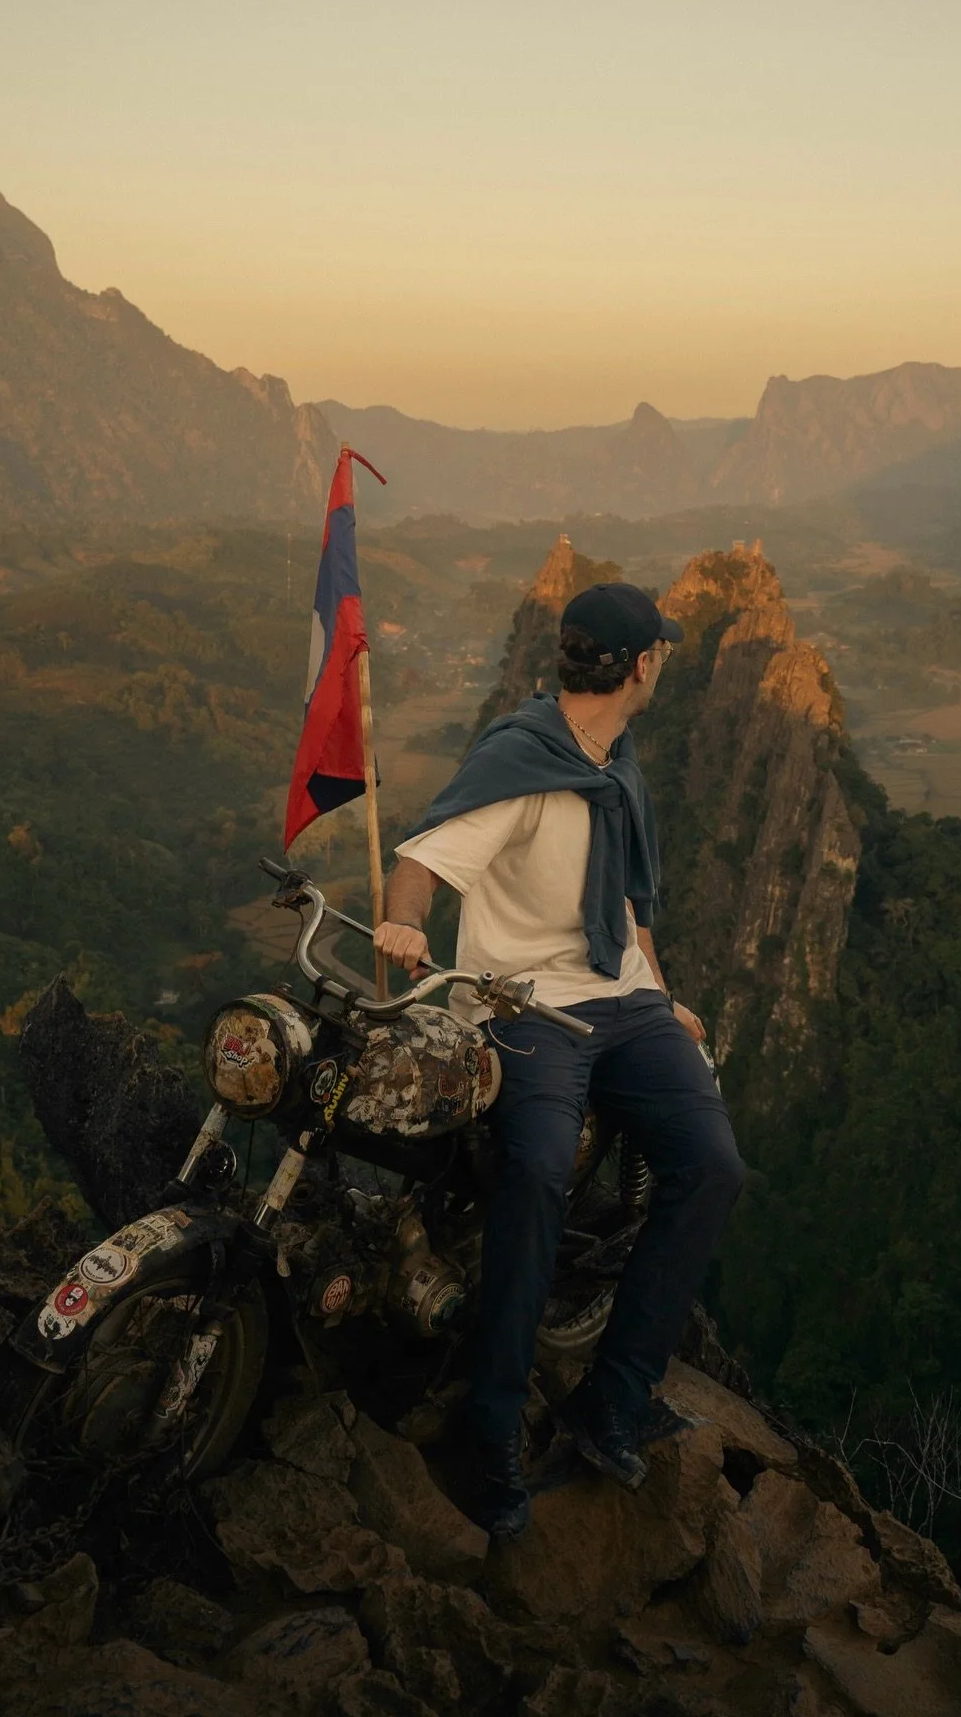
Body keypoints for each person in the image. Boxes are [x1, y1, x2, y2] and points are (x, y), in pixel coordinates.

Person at [374, 581, 745, 1538]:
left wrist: (663, 997)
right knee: (535, 1170)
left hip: (624, 999)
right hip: (526, 1007)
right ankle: (491, 1425)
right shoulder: (525, 761)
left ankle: (612, 1400)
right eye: (659, 650)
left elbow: (627, 905)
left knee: (711, 1166)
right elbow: (422, 860)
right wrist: (404, 925)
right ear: (641, 665)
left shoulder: (616, 761)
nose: (663, 659)